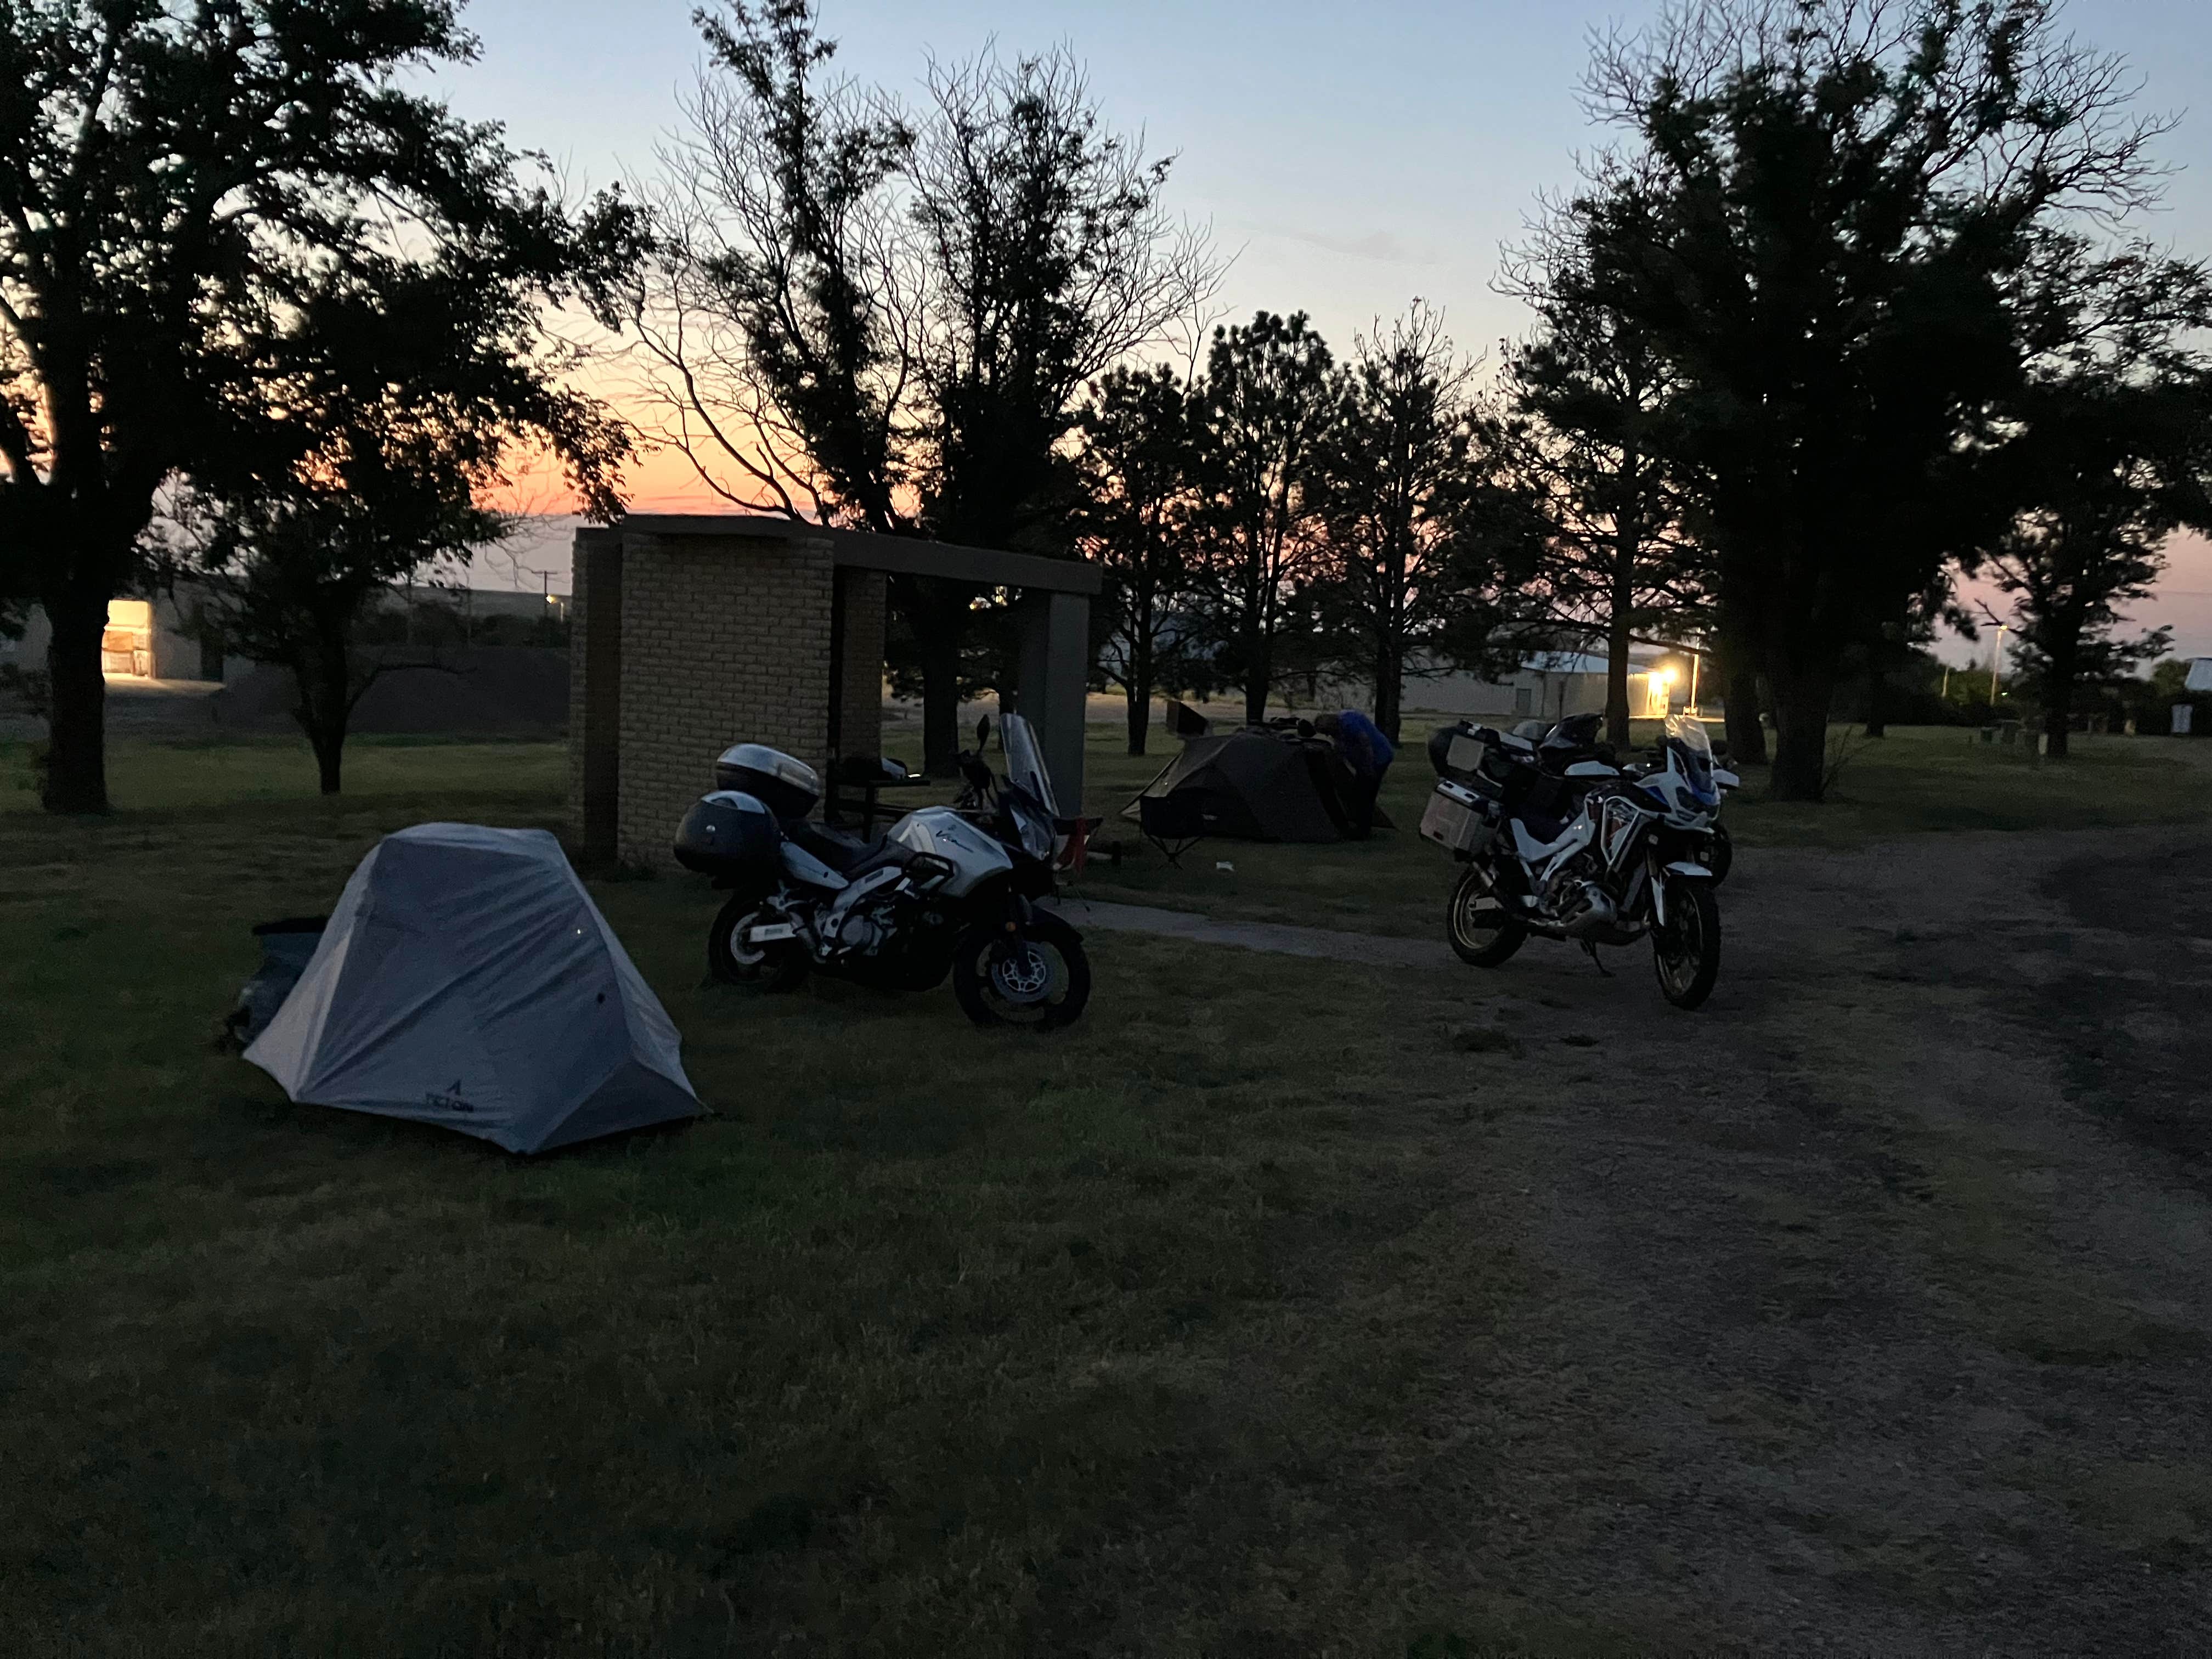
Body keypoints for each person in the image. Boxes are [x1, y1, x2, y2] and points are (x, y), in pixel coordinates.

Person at [1312, 709, 1395, 837]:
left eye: (1327, 732)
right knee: (1360, 792)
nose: (1329, 736)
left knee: (1366, 794)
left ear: (1332, 726)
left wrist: (1369, 767)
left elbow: (1365, 743)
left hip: (1379, 758)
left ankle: (1363, 831)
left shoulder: (1349, 724)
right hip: (1368, 762)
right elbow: (1341, 747)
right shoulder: (1341, 728)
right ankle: (1361, 826)